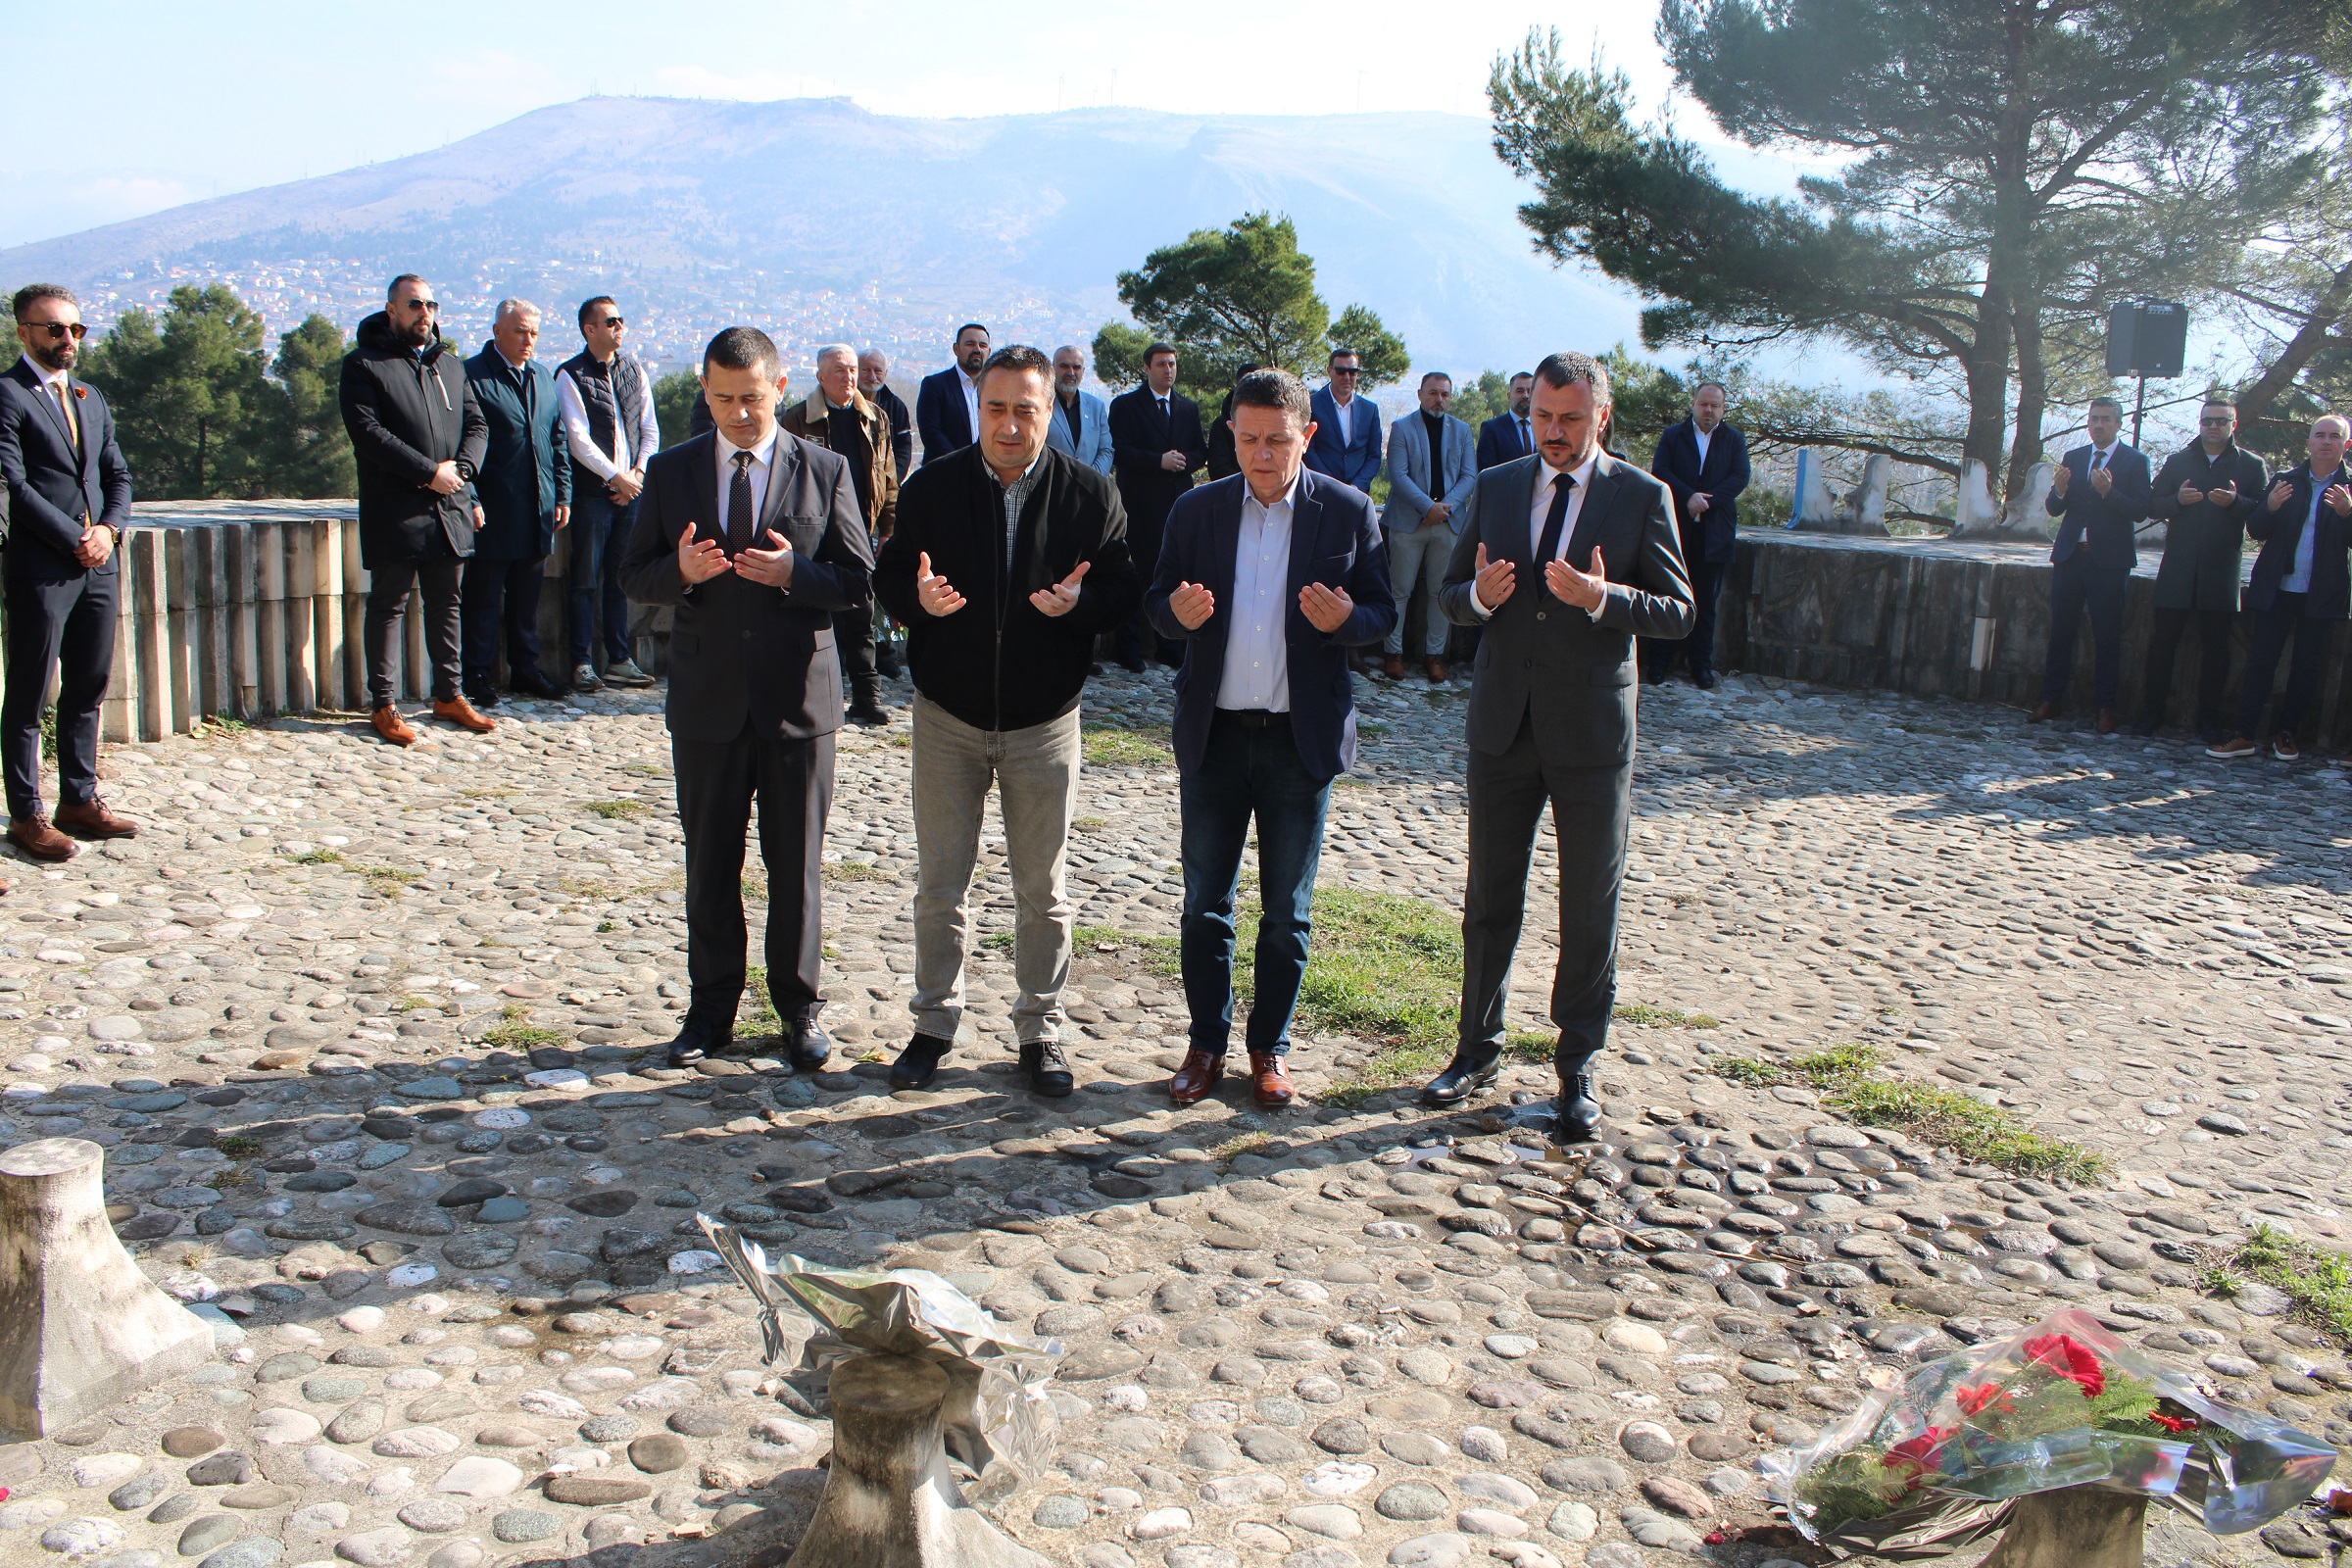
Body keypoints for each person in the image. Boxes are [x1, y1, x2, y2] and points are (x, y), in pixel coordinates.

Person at [1421, 350, 1693, 1141]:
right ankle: (1476, 1048)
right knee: (1488, 900)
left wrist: (1603, 598)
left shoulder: (1642, 495)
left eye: (1571, 419)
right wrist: (1478, 597)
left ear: (1600, 417)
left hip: (1592, 735)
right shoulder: (1501, 483)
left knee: (1588, 907)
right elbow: (1451, 594)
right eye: (1543, 416)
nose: (1554, 432)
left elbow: (1679, 611)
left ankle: (1577, 1067)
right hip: (1503, 727)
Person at [873, 345, 1141, 1098]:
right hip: (947, 716)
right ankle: (933, 1025)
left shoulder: (1090, 494)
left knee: (1042, 891)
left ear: (1049, 411)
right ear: (978, 409)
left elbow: (1123, 590)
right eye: (996, 408)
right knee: (940, 886)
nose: (1010, 424)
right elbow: (889, 574)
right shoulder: (932, 488)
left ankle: (1040, 1031)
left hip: (1043, 722)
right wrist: (916, 602)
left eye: (1027, 409)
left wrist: (1081, 606)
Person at [617, 325, 873, 1070]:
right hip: (708, 702)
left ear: (779, 387)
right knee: (710, 864)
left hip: (798, 703)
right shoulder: (671, 471)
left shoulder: (824, 468)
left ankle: (799, 1009)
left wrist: (796, 575)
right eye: (724, 398)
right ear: (704, 390)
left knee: (796, 867)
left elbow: (859, 582)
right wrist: (681, 573)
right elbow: (633, 575)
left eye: (753, 399)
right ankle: (710, 1009)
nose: (738, 413)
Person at [1146, 369, 1394, 1108]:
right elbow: (1155, 602)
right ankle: (1206, 1043)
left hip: (1298, 741)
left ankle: (1270, 1049)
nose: (1261, 454)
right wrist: (1176, 615)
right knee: (1205, 903)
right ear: (1230, 434)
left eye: (1277, 441)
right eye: (1247, 438)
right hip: (1215, 736)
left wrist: (1345, 622)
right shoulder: (1195, 510)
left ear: (1307, 436)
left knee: (1287, 910)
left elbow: (1382, 613)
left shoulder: (1347, 511)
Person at [0, 283, 137, 867]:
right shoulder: (8, 394)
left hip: (99, 563)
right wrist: (74, 538)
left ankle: (78, 800)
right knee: (29, 695)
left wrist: (108, 530)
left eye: (76, 329)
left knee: (88, 687)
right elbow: (13, 483)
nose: (68, 339)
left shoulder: (89, 395)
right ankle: (26, 815)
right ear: (23, 332)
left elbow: (117, 475)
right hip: (41, 567)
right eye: (55, 328)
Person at [340, 274, 494, 747]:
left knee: (447, 604)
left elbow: (477, 424)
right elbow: (368, 433)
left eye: (430, 304)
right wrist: (429, 473)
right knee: (389, 605)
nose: (424, 312)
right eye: (414, 304)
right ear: (392, 311)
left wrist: (460, 473)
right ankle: (383, 704)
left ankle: (449, 695)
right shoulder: (364, 364)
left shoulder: (449, 365)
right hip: (396, 508)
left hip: (451, 504)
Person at [2208, 415, 2352, 761]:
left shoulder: (2349, 489)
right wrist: (2269, 508)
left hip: (2321, 592)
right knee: (2261, 661)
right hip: (2278, 588)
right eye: (2320, 435)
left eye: (2334, 436)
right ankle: (2244, 734)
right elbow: (2256, 530)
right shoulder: (2286, 480)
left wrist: (2348, 514)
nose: (2326, 442)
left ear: (2346, 445)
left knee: (2306, 666)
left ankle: (2287, 734)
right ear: (2309, 442)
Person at [779, 344, 899, 727]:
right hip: (814, 532)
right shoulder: (797, 419)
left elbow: (888, 476)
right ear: (820, 377)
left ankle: (867, 697)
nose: (849, 377)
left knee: (862, 615)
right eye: (839, 370)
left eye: (852, 369)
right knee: (815, 617)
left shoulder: (874, 417)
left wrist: (888, 528)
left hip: (860, 527)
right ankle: (814, 699)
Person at [461, 300, 569, 706]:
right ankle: (476, 675)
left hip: (538, 508)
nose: (529, 340)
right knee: (483, 599)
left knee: (527, 600)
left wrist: (563, 493)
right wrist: (470, 497)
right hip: (492, 508)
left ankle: (525, 669)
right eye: (521, 331)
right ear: (497, 331)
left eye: (534, 333)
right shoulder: (472, 375)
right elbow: (461, 443)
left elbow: (557, 439)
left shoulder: (542, 376)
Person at [2138, 400, 2264, 742]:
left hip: (2221, 571)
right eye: (2207, 420)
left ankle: (2209, 719)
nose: (2213, 427)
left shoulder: (2251, 465)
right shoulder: (2178, 461)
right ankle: (2151, 713)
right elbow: (2151, 505)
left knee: (2217, 649)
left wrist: (2235, 503)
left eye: (2221, 421)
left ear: (2233, 424)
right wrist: (2177, 501)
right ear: (2200, 423)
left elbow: (2263, 515)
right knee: (2163, 644)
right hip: (2177, 569)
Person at [555, 296, 661, 695]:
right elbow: (577, 438)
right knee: (584, 581)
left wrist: (636, 476)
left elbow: (649, 429)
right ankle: (581, 663)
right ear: (590, 329)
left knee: (621, 580)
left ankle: (619, 659)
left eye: (621, 320)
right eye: (611, 321)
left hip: (630, 493)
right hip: (592, 495)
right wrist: (616, 477)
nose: (619, 327)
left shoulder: (634, 370)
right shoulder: (570, 374)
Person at [2033, 396, 2151, 733]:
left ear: (2118, 424)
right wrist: (2058, 491)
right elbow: (2055, 508)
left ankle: (2105, 708)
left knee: (2107, 635)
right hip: (2071, 556)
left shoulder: (2135, 460)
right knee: (2061, 632)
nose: (2098, 425)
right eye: (2093, 418)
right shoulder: (2075, 457)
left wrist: (2108, 492)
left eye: (2105, 419)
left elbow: (2140, 510)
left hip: (2109, 562)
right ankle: (2051, 698)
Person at [1642, 381, 1749, 689]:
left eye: (1715, 405)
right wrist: (1688, 496)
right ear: (1693, 404)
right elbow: (1661, 470)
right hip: (1676, 528)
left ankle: (1701, 666)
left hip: (1715, 532)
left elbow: (1740, 476)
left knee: (1706, 602)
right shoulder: (1673, 435)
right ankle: (1659, 663)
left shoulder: (1734, 439)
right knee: (1669, 595)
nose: (1708, 410)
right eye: (1704, 404)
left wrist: (1707, 501)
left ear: (1723, 409)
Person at [1107, 343, 1208, 670]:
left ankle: (1169, 645)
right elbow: (1120, 450)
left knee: (1174, 574)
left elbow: (1200, 451)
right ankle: (1129, 648)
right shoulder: (1126, 405)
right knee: (1136, 574)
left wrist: (1183, 461)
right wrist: (1158, 461)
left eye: (1172, 364)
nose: (1168, 370)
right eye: (1162, 364)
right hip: (1138, 505)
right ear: (1147, 368)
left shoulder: (1187, 408)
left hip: (1176, 505)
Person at [1381, 371, 1477, 683]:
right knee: (1400, 590)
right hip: (1409, 522)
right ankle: (1393, 653)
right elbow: (1398, 475)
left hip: (1448, 522)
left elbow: (1469, 476)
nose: (1439, 399)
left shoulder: (1462, 430)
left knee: (1440, 593)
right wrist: (1427, 508)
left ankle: (1434, 656)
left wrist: (1444, 508)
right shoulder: (1401, 428)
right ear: (1420, 394)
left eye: (1445, 394)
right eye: (1433, 393)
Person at [1305, 349, 1382, 492]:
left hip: (1357, 494)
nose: (1347, 377)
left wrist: (1356, 487)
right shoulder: (1311, 405)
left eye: (1352, 372)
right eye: (1341, 371)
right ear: (1329, 371)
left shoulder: (1370, 410)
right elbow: (1308, 450)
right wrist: (1331, 486)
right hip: (1320, 491)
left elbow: (1374, 456)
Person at [915, 322, 990, 465]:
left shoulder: (995, 390)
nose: (977, 349)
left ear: (989, 352)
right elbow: (931, 433)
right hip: (945, 471)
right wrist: (962, 463)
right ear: (956, 349)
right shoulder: (935, 385)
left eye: (983, 345)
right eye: (970, 344)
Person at [1045, 345, 1114, 474]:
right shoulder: (1041, 405)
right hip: (1051, 484)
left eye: (1076, 367)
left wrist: (1090, 479)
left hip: (1091, 484)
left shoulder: (1096, 406)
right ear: (1053, 369)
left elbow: (1106, 450)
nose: (1071, 373)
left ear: (1083, 371)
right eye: (1064, 366)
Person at [859, 349, 914, 481]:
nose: (872, 377)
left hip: (887, 482)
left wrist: (891, 481)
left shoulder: (896, 406)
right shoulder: (845, 403)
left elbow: (904, 449)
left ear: (885, 374)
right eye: (865, 370)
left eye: (878, 371)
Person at [1204, 364, 1260, 481]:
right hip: (1235, 489)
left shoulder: (1275, 423)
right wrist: (1252, 484)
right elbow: (1218, 469)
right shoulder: (1221, 425)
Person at [1476, 373, 1535, 470]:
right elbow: (1486, 473)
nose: (1525, 395)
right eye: (1520, 391)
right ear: (1509, 396)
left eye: (1530, 391)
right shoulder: (1491, 429)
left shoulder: (1545, 428)